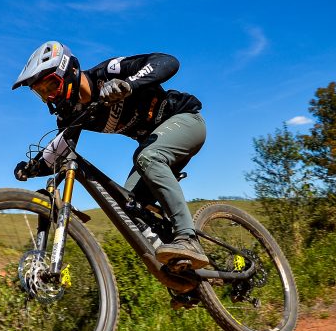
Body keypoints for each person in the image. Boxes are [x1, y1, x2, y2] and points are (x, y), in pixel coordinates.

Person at [12, 41, 208, 269]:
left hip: (185, 121)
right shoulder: (71, 113)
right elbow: (60, 149)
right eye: (41, 93)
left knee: (147, 157)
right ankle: (184, 275)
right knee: (129, 208)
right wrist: (33, 167)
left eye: (51, 87)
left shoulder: (107, 72)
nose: (49, 97)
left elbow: (168, 62)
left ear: (69, 71)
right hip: (151, 146)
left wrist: (128, 84)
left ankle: (187, 238)